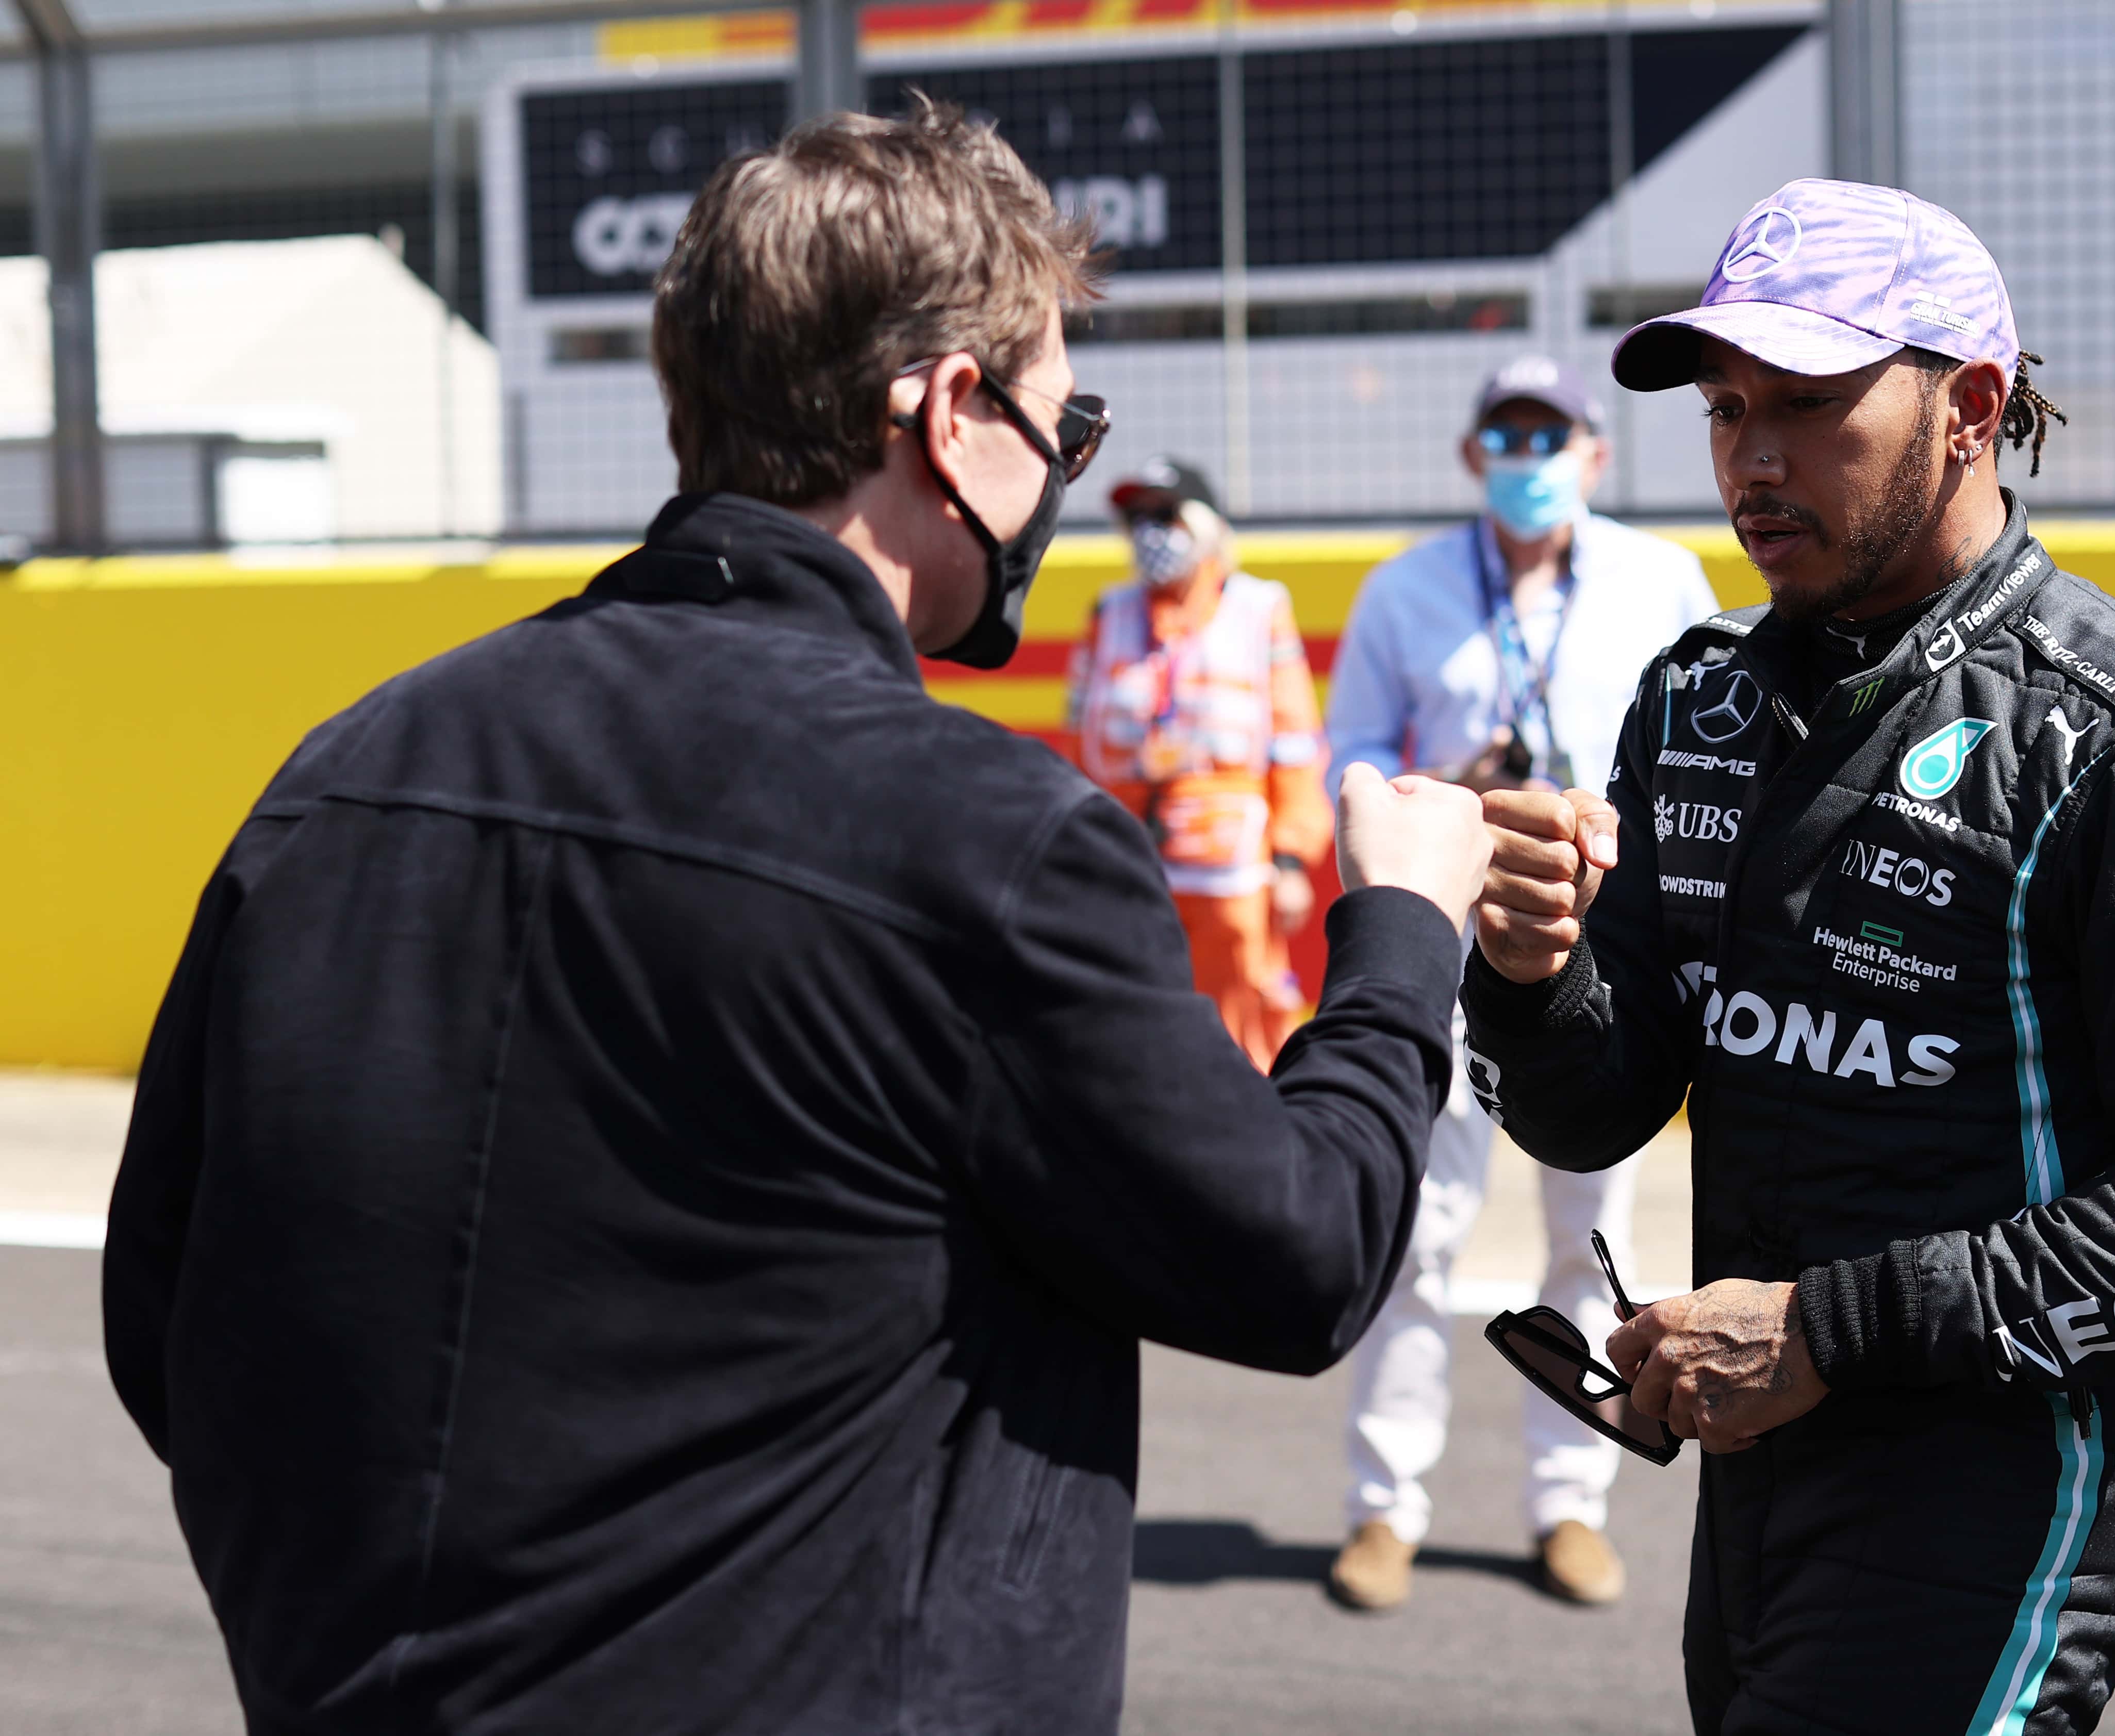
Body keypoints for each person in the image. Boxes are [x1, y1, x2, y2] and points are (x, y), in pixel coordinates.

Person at [100, 105, 1490, 1736]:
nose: (1067, 474)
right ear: (955, 411)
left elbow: (165, 1325)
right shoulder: (989, 838)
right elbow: (1299, 1260)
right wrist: (1401, 933)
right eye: (1066, 420)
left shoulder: (344, 774)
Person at [1460, 178, 2115, 1733]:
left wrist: (1827, 1332)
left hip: (1996, 1510)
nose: (1751, 456)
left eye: (1807, 403)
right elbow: (1592, 1110)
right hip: (1758, 1494)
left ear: (1971, 408)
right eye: (1728, 409)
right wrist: (1529, 976)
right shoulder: (1699, 702)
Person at [1320, 355, 1723, 1610]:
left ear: (1595, 456)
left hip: (1600, 957)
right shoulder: (1404, 591)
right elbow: (1350, 769)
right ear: (1471, 453)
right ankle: (1383, 1509)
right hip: (1447, 941)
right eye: (1507, 435)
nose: (1529, 458)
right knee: (1411, 1246)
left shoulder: (1664, 582)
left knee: (1589, 1239)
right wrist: (1449, 778)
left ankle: (1570, 1505)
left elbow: (1711, 757)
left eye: (1551, 437)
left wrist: (1627, 821)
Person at [1068, 454, 1331, 1068]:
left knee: (1247, 1025)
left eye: (1164, 516)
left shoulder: (1260, 608)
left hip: (1232, 872)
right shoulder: (1108, 614)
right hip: (1130, 862)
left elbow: (1294, 742)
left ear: (1206, 523)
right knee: (1136, 1022)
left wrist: (1290, 858)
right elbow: (1078, 746)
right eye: (1136, 520)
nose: (1149, 533)